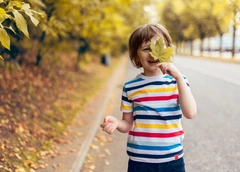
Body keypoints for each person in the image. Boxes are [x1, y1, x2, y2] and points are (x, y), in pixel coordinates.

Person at [100, 23, 197, 172]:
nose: (153, 54)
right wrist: (117, 123)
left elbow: (190, 113)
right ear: (136, 56)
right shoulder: (130, 87)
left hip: (172, 160)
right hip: (140, 161)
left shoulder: (178, 81)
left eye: (158, 47)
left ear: (168, 50)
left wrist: (178, 77)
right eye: (146, 49)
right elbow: (127, 124)